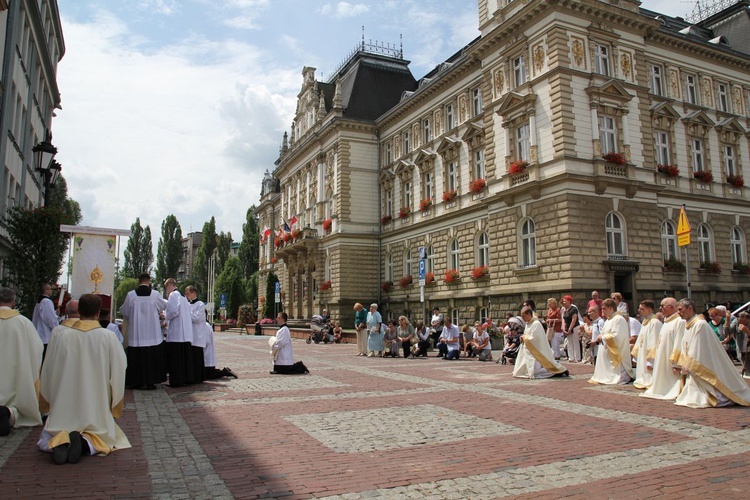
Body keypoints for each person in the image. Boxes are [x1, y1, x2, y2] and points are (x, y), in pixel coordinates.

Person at [38, 294, 129, 464]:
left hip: (64, 405)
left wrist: (48, 398)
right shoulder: (107, 336)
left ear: (79, 311)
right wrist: (114, 400)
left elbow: (48, 367)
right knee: (101, 436)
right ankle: (85, 443)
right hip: (95, 405)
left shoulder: (60, 334)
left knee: (51, 434)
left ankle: (61, 440)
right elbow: (120, 367)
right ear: (97, 313)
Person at [674, 298, 750, 408]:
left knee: (711, 395)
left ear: (690, 308)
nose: (678, 313)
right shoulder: (689, 324)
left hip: (704, 362)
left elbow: (698, 348)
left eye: (680, 309)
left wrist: (689, 365)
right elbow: (685, 345)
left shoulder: (700, 324)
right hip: (692, 366)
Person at [0, 288, 43, 436]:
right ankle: (9, 412)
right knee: (17, 402)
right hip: (16, 376)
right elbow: (37, 349)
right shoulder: (24, 323)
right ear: (13, 302)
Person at [120, 273, 167, 390]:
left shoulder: (131, 295)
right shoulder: (155, 294)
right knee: (151, 358)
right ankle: (151, 382)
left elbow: (125, 311)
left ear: (138, 281)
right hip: (152, 333)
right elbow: (163, 306)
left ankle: (137, 381)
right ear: (149, 281)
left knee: (136, 358)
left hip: (136, 333)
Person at [641, 297, 685, 400]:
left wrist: (676, 363)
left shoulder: (679, 321)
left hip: (670, 359)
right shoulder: (667, 321)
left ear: (672, 307)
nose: (660, 309)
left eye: (662, 306)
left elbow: (679, 343)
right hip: (662, 356)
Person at [589, 298, 634, 385]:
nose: (602, 311)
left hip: (617, 352)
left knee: (617, 376)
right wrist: (599, 338)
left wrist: (603, 337)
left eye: (604, 309)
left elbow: (617, 336)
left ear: (611, 308)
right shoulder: (609, 320)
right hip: (606, 349)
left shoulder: (618, 319)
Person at [513, 308, 568, 379]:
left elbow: (534, 339)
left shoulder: (536, 324)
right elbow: (526, 335)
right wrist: (523, 337)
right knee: (523, 369)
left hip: (537, 352)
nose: (522, 318)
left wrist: (524, 338)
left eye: (523, 316)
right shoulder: (528, 324)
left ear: (529, 314)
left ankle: (557, 371)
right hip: (528, 351)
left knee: (534, 370)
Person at [164, 278, 195, 387]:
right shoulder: (183, 297)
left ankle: (177, 380)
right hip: (185, 334)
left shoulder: (173, 295)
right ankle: (186, 379)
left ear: (169, 285)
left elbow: (173, 311)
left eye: (166, 288)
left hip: (176, 333)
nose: (166, 291)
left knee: (176, 359)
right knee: (184, 359)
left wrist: (165, 316)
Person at [631, 300, 662, 390]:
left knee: (649, 376)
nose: (639, 311)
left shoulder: (655, 323)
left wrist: (650, 361)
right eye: (639, 308)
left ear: (649, 310)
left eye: (642, 309)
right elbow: (640, 339)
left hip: (648, 355)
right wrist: (636, 356)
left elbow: (654, 342)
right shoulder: (646, 321)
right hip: (642, 352)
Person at [185, 286, 207, 384]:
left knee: (197, 358)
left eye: (187, 294)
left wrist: (186, 314)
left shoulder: (200, 304)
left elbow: (197, 318)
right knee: (191, 358)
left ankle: (198, 377)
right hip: (189, 335)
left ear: (193, 293)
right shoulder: (187, 304)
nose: (186, 296)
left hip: (197, 335)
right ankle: (191, 377)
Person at [32, 283, 58, 362]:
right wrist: (56, 328)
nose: (51, 291)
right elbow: (50, 318)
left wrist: (56, 313)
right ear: (46, 290)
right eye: (50, 289)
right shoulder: (46, 301)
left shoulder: (40, 301)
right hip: (45, 335)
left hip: (39, 332)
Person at [561, 295, 581, 362]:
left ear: (569, 301)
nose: (563, 303)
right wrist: (564, 329)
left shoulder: (573, 309)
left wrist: (570, 329)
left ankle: (577, 357)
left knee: (575, 342)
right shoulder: (564, 310)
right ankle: (571, 357)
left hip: (574, 327)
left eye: (565, 301)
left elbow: (574, 320)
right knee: (569, 343)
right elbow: (564, 320)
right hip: (567, 328)